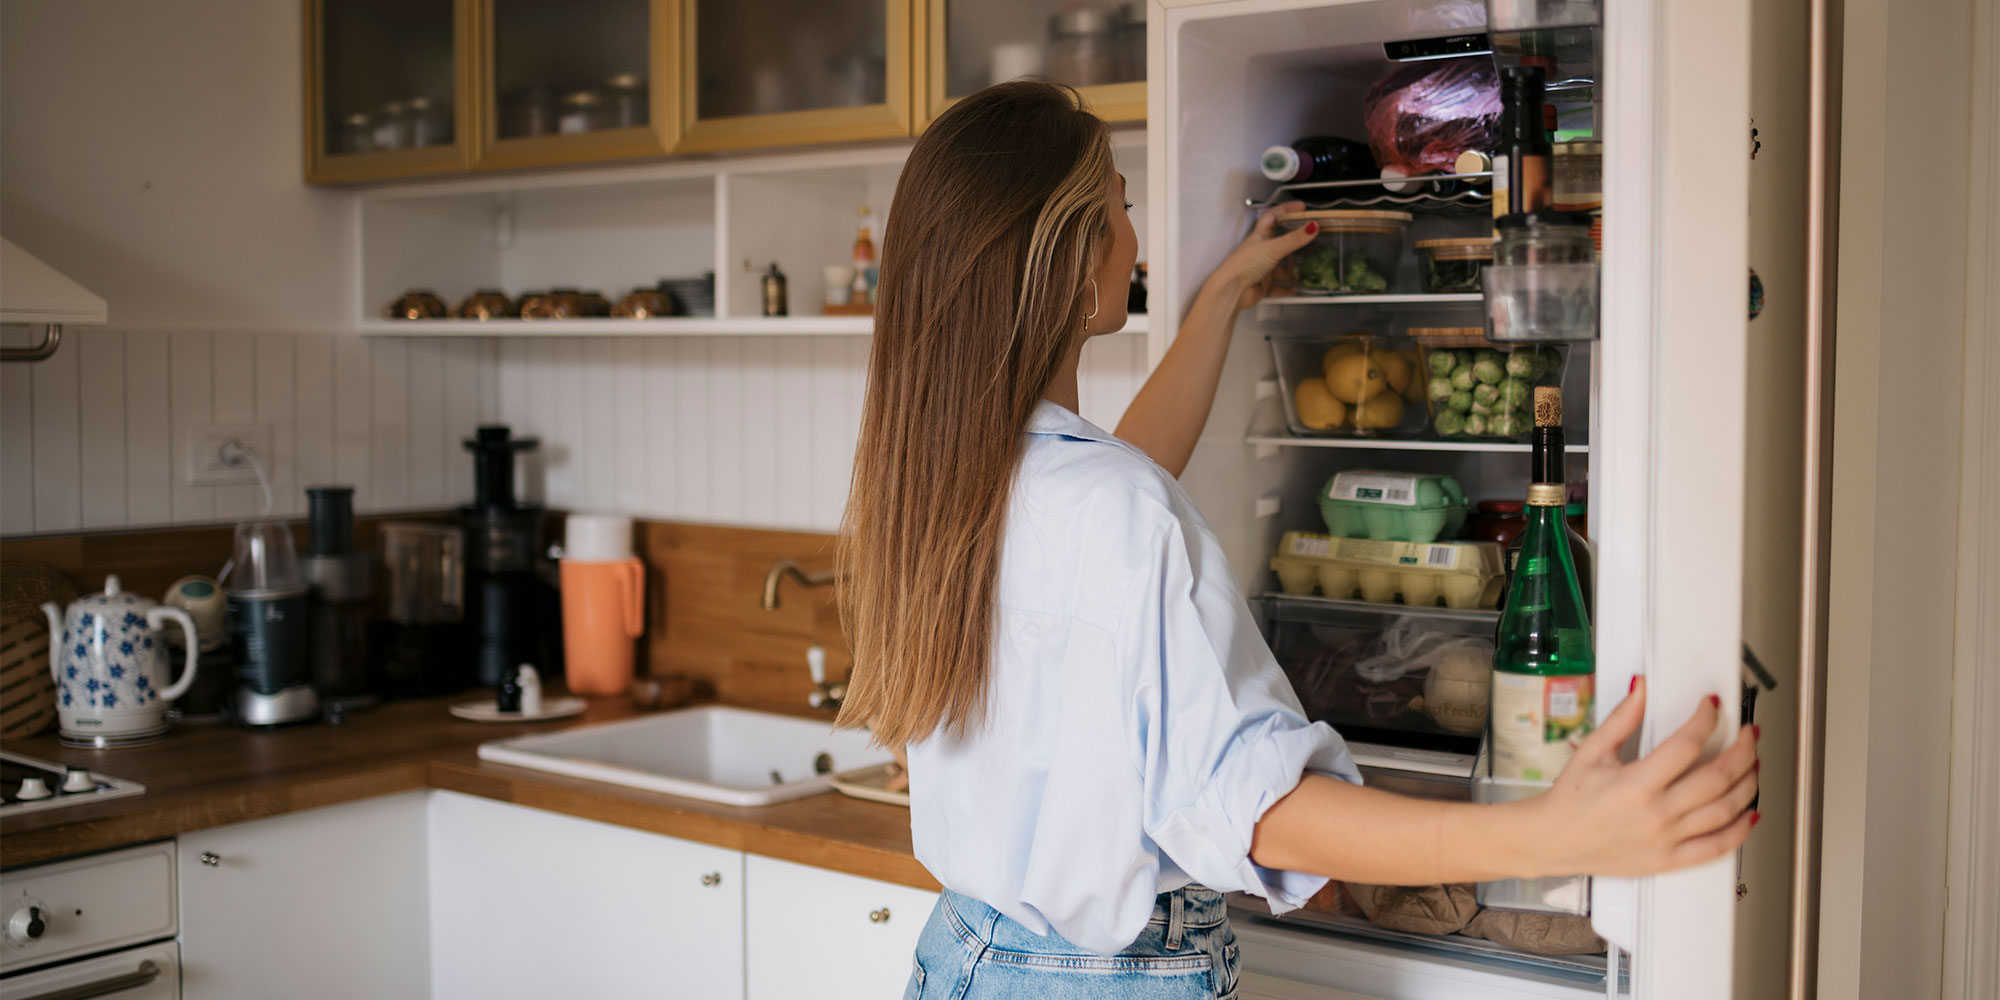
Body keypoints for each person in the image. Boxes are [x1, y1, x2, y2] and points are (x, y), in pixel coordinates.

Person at [836, 81, 1758, 1000]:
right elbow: (1260, 811)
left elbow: (1113, 511)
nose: (1136, 237)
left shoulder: (933, 480)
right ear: (1074, 262)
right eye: (1120, 206)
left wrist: (1225, 297)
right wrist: (1554, 833)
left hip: (967, 954)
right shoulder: (1112, 510)